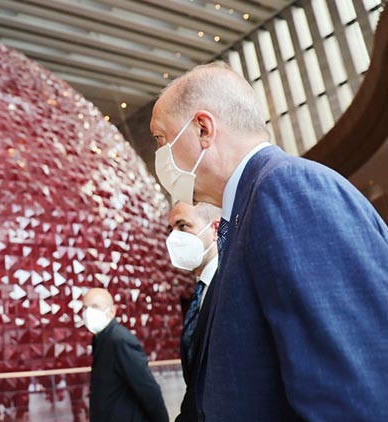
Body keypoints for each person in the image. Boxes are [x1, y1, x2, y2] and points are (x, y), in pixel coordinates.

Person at [150, 61, 388, 420]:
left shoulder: (287, 189)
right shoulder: (249, 208)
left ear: (203, 129)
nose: (160, 156)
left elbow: (350, 388)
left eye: (160, 139)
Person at [165, 202, 219, 422]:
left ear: (215, 229)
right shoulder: (199, 293)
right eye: (170, 230)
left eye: (183, 226)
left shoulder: (234, 285)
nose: (173, 238)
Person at [82, 287, 168, 422]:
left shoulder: (120, 340)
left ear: (112, 311)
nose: (88, 312)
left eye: (95, 306)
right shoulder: (101, 339)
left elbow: (148, 389)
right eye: (85, 308)